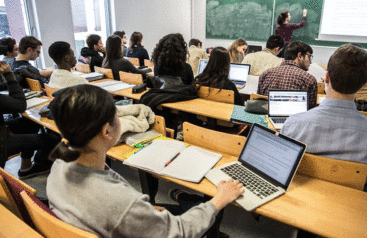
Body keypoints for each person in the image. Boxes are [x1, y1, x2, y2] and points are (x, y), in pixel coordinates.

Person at [46, 84, 244, 238]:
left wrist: (143, 214)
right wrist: (220, 199)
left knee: (192, 207)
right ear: (106, 131)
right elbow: (180, 232)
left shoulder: (59, 163)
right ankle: (195, 202)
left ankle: (189, 200)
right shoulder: (122, 204)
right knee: (213, 209)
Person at [280, 44, 367, 197]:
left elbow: (283, 171)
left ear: (326, 77)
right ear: (364, 83)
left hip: (299, 202)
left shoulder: (292, 125)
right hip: (348, 211)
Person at [0, 61, 59, 176]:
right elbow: (20, 105)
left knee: (30, 122)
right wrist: (9, 75)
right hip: (2, 143)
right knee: (53, 138)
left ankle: (25, 167)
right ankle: (40, 164)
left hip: (4, 129)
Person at [258, 41, 317, 109]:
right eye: (309, 57)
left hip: (266, 118)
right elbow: (311, 111)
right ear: (300, 56)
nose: (310, 61)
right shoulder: (309, 79)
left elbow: (259, 102)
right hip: (294, 119)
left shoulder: (265, 74)